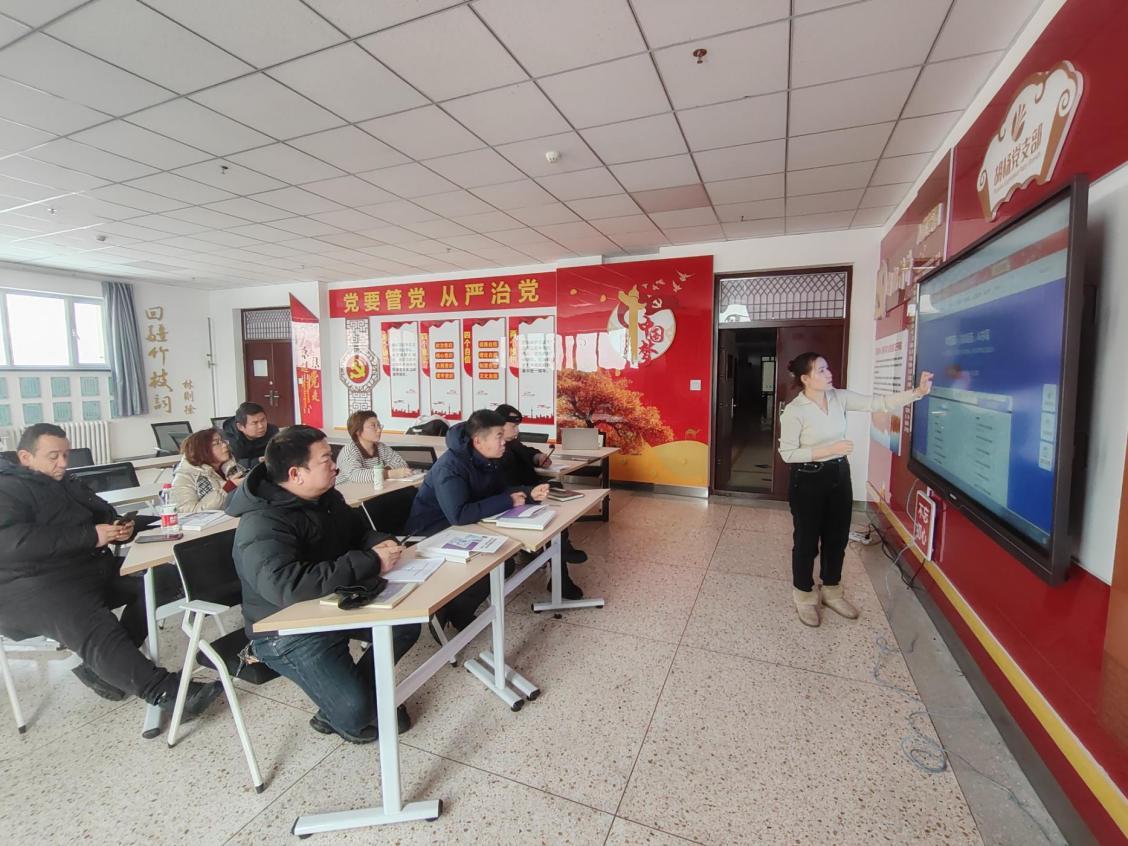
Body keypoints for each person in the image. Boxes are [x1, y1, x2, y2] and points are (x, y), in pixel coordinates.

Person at [0, 424, 221, 717]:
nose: (63, 463)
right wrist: (92, 536)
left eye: (66, 455)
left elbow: (99, 517)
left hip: (87, 568)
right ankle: (165, 692)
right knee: (89, 622)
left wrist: (119, 529)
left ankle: (101, 669)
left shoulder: (64, 481)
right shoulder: (8, 487)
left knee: (165, 580)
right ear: (25, 457)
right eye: (53, 456)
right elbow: (11, 543)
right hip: (31, 586)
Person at [227, 425, 420, 744]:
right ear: (296, 473)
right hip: (286, 628)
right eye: (326, 459)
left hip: (334, 600)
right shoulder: (262, 522)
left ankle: (362, 695)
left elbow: (358, 533)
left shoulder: (327, 497)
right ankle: (353, 706)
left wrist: (380, 542)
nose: (335, 466)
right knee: (356, 714)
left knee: (405, 625)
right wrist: (371, 561)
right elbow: (287, 585)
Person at [778, 354, 933, 627]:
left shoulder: (840, 397)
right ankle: (804, 596)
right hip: (808, 478)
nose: (828, 373)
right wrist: (829, 449)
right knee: (806, 540)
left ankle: (832, 592)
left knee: (837, 538)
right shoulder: (795, 410)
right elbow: (788, 453)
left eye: (827, 368)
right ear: (805, 379)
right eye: (821, 370)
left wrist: (918, 392)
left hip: (839, 474)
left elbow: (879, 403)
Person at [405, 409, 549, 632]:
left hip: (465, 527)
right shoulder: (450, 467)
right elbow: (459, 514)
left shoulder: (486, 459)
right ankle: (450, 611)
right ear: (478, 441)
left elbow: (499, 491)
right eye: (499, 436)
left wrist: (529, 493)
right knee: (499, 564)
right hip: (432, 533)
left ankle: (456, 611)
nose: (504, 442)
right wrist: (508, 500)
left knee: (504, 562)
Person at [495, 404, 587, 600]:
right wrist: (529, 493)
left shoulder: (511, 442)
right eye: (513, 426)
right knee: (551, 511)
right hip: (514, 500)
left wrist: (538, 457)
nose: (517, 431)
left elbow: (526, 451)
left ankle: (562, 549)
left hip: (528, 492)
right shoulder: (494, 449)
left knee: (556, 491)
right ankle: (561, 566)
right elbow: (502, 487)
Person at [169, 428, 246, 513]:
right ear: (202, 450)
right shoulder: (185, 477)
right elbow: (189, 512)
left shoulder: (232, 467)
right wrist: (227, 489)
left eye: (223, 441)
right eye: (216, 443)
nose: (225, 445)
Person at [335, 410, 411, 486]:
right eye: (373, 426)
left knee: (409, 490)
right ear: (357, 431)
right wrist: (388, 474)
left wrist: (382, 472)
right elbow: (357, 475)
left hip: (371, 489)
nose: (379, 430)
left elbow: (401, 463)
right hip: (348, 490)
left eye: (379, 425)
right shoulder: (349, 451)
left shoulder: (381, 447)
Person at [221, 402, 279, 469]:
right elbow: (232, 463)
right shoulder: (230, 439)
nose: (261, 426)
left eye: (263, 420)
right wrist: (257, 461)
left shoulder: (272, 431)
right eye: (255, 423)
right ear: (240, 427)